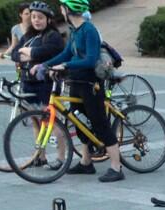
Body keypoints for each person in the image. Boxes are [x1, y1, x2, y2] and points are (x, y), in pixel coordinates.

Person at [31, 0, 124, 182]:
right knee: (81, 122)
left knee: (100, 124)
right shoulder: (74, 30)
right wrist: (44, 65)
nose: (61, 10)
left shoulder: (89, 30)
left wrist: (65, 65)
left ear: (68, 9)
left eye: (62, 7)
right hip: (76, 81)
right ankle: (86, 162)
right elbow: (66, 54)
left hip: (91, 84)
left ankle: (116, 167)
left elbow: (90, 60)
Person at [10, 2, 63, 108]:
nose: (36, 20)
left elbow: (41, 52)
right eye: (33, 17)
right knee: (30, 114)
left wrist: (25, 50)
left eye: (40, 17)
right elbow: (14, 54)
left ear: (48, 20)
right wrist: (28, 55)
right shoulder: (28, 35)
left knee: (46, 115)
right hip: (27, 81)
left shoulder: (53, 36)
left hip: (46, 83)